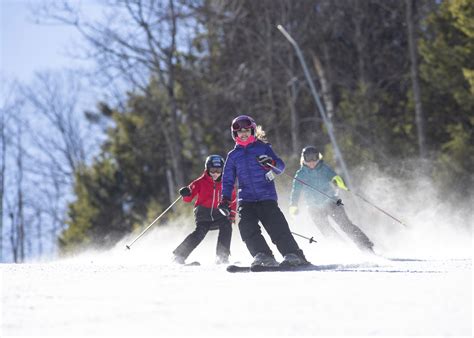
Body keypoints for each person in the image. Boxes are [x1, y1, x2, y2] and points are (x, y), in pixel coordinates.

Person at [219, 115, 309, 267]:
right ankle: (263, 256)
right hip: (246, 199)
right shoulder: (233, 156)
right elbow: (227, 180)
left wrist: (270, 163)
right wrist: (225, 199)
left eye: (247, 130)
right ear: (234, 134)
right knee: (246, 227)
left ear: (253, 131)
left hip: (266, 196)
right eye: (239, 131)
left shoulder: (263, 147)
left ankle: (293, 255)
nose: (243, 134)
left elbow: (280, 167)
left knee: (276, 226)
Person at [289, 146, 374, 253]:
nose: (311, 161)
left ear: (318, 157)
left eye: (314, 158)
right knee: (326, 230)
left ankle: (366, 246)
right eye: (308, 158)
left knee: (345, 225)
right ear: (303, 159)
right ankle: (344, 250)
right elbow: (295, 190)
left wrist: (339, 182)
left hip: (331, 202)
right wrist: (293, 205)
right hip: (313, 207)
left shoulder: (324, 168)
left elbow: (334, 177)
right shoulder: (301, 174)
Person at [172, 155, 236, 265]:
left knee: (226, 226)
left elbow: (233, 200)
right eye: (212, 170)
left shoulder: (227, 184)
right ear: (207, 169)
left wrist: (232, 215)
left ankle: (222, 256)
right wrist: (186, 193)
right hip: (203, 213)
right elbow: (188, 198)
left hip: (219, 213)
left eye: (219, 170)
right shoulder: (200, 182)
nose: (215, 173)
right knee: (200, 232)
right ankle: (179, 256)